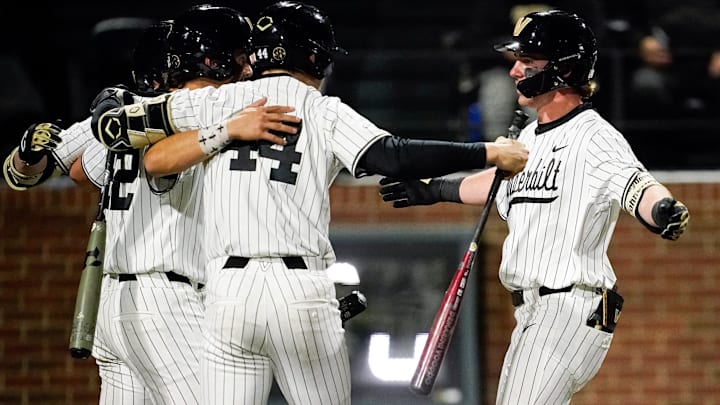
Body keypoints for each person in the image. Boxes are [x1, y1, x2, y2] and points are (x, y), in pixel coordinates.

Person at [90, 2, 529, 404]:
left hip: (226, 296)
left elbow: (114, 129)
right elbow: (392, 156)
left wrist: (114, 103)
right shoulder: (320, 108)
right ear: (315, 57)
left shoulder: (215, 101)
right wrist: (488, 152)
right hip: (299, 289)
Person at [378, 10, 689, 405]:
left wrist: (662, 209)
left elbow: (637, 185)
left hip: (568, 307)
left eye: (528, 61)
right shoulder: (530, 135)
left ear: (562, 70)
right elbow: (500, 185)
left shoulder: (594, 136)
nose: (514, 71)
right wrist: (436, 189)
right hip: (533, 313)